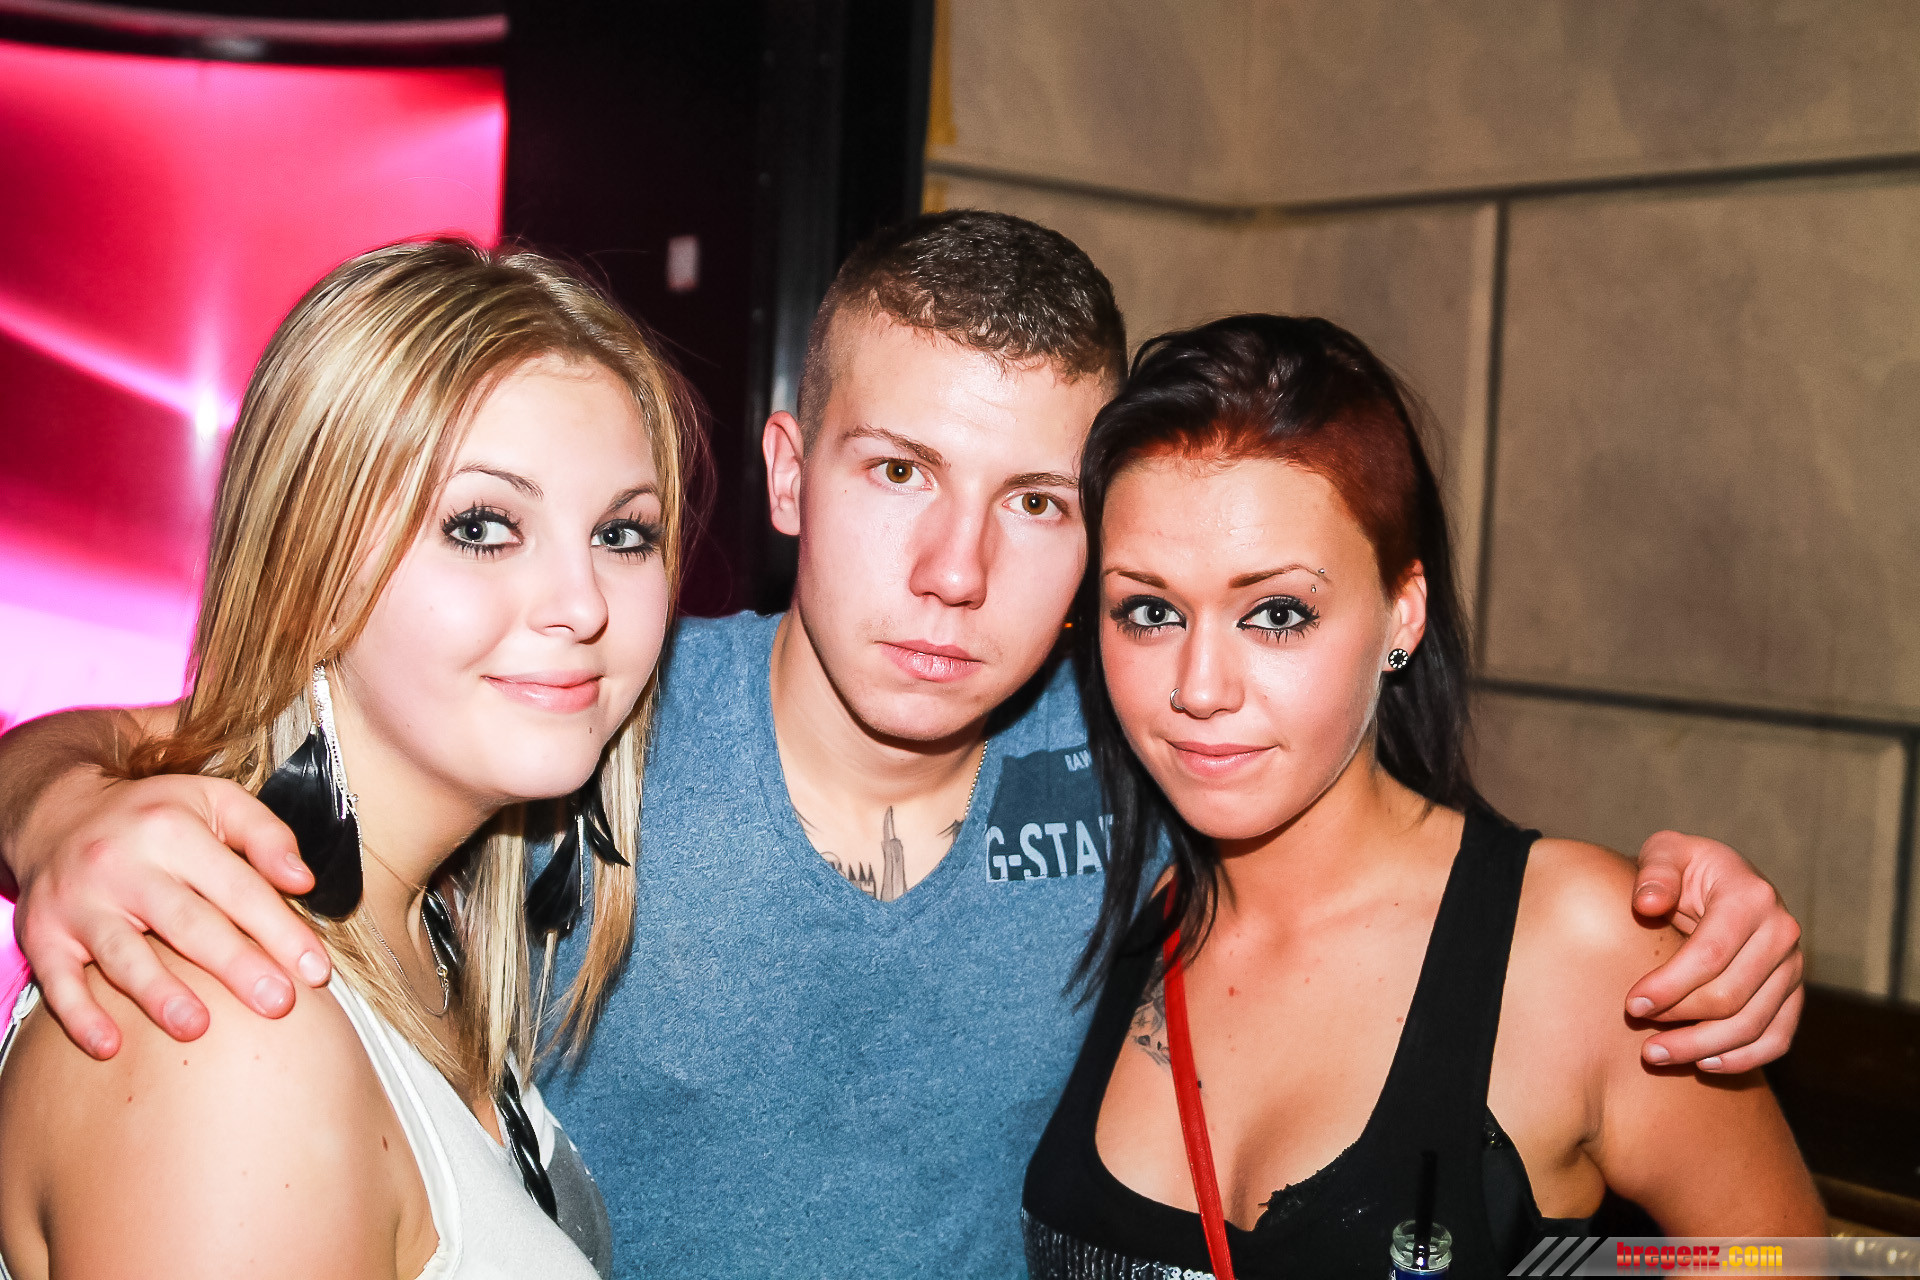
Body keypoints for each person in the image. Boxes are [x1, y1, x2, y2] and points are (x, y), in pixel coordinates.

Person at [0, 214, 1807, 1278]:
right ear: (791, 475)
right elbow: (193, 725)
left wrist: (1679, 916)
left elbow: (1393, 863)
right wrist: (65, 812)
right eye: (898, 474)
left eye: (1036, 503)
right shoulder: (588, 716)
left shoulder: (1148, 759)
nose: (955, 573)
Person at [1022, 315, 1825, 1278]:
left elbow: (1792, 1265)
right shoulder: (1083, 893)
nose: (1199, 688)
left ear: (1402, 613)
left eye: (1276, 613)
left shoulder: (1584, 950)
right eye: (1150, 611)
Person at [0, 239, 699, 1280]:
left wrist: (46, 795)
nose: (583, 604)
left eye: (623, 534)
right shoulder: (231, 1028)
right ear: (309, 571)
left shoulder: (424, 919)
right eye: (482, 525)